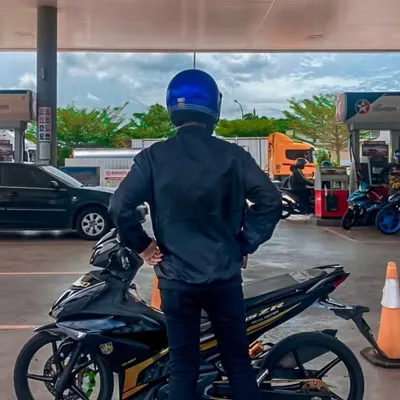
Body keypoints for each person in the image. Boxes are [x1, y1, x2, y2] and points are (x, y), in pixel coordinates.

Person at [108, 69, 282, 400]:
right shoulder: (234, 156)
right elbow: (270, 201)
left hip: (176, 281)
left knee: (182, 367)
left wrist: (143, 246)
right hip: (224, 278)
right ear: (214, 108)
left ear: (172, 107)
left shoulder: (153, 158)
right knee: (238, 365)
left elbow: (119, 206)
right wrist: (243, 243)